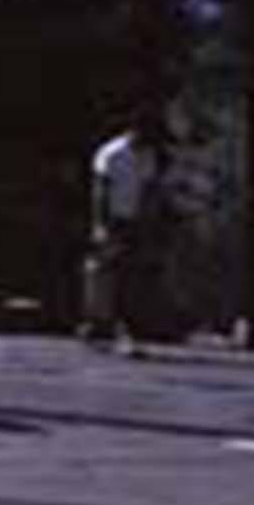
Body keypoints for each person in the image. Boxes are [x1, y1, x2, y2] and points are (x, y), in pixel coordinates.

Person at [85, 105, 172, 355]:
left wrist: (149, 223)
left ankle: (126, 329)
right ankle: (98, 324)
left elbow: (148, 191)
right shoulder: (112, 154)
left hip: (135, 222)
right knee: (107, 277)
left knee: (133, 278)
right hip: (114, 219)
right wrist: (100, 225)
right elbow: (100, 190)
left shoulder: (148, 156)